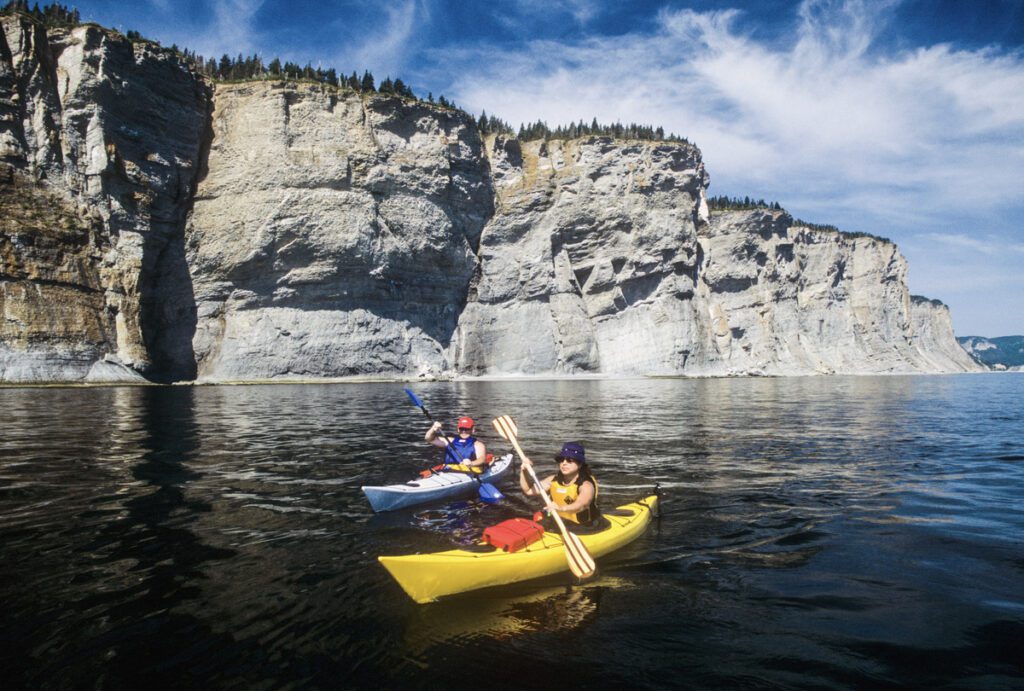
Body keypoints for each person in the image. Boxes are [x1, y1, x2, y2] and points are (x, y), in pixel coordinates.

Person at [519, 441, 600, 526]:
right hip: (558, 522)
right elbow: (528, 490)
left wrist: (561, 508)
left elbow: (581, 505)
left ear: (580, 464)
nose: (564, 463)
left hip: (583, 527)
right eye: (561, 460)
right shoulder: (553, 480)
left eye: (569, 460)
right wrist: (524, 471)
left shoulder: (586, 485)